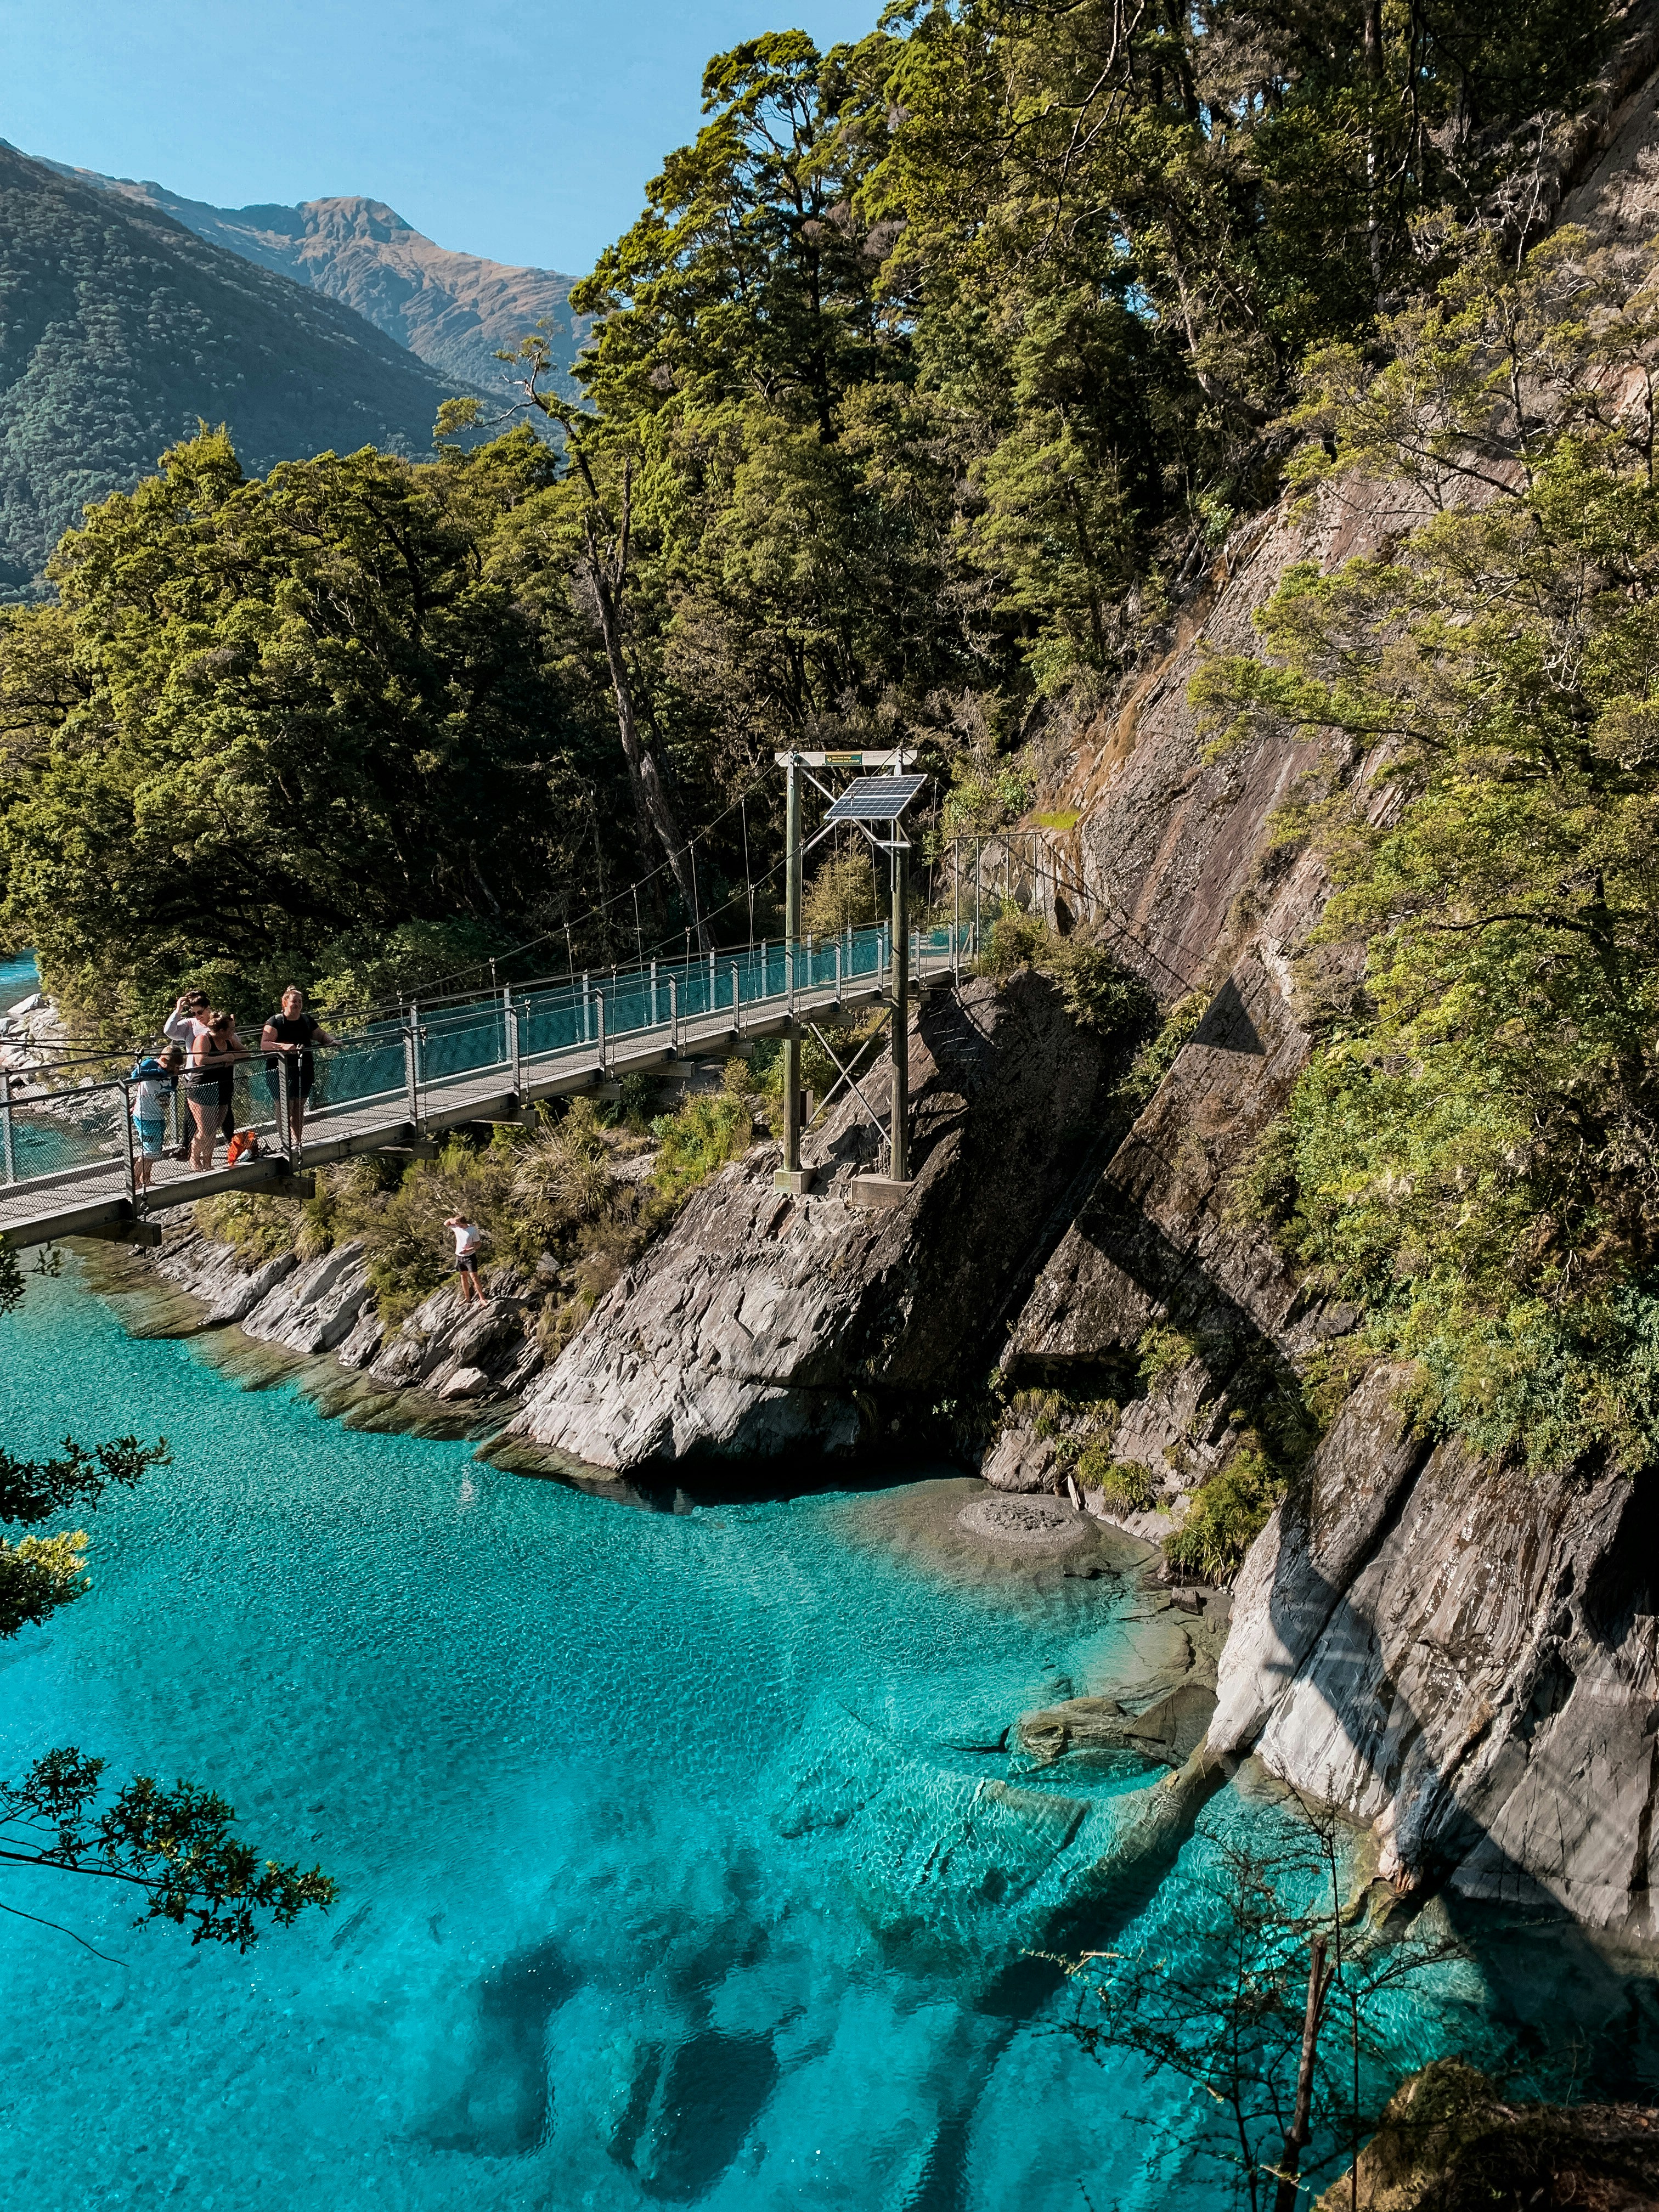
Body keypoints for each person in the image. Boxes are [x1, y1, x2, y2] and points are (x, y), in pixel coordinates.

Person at [260, 986, 338, 1150]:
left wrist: (332, 1040)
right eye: (294, 1001)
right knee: (285, 1106)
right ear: (285, 1003)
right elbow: (265, 1045)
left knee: (299, 1105)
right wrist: (284, 1047)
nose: (297, 1004)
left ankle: (298, 1141)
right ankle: (286, 1143)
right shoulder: (275, 1022)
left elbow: (321, 1035)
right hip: (280, 1071)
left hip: (304, 1068)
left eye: (300, 1002)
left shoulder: (306, 1020)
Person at [185, 1011, 245, 1171]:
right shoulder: (204, 1039)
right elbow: (201, 1060)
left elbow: (246, 1052)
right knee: (206, 1130)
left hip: (224, 1087)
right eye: (231, 1029)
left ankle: (208, 1163)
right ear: (221, 1031)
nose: (233, 1032)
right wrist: (224, 1058)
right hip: (203, 1089)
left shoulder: (230, 1040)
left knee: (215, 1127)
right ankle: (195, 1159)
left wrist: (232, 1055)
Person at [127, 1046, 183, 1197]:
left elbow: (172, 1087)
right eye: (170, 1066)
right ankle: (134, 1181)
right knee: (149, 1151)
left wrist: (175, 1075)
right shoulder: (149, 1064)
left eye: (175, 1068)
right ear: (163, 1059)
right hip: (145, 1115)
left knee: (154, 1150)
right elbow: (135, 1075)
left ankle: (146, 1178)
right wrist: (160, 1072)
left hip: (158, 1115)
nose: (171, 1070)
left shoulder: (171, 1072)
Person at [163, 991, 211, 1158]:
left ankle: (229, 1143)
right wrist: (178, 1010)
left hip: (215, 1074)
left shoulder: (217, 1023)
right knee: (190, 1114)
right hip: (194, 1076)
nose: (197, 1016)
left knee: (221, 1114)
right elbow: (170, 1031)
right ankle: (186, 1147)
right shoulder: (190, 1024)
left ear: (208, 1008)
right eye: (193, 1013)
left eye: (200, 1012)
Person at [444, 1214, 489, 1305]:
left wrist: (470, 1249)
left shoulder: (472, 1230)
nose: (456, 1225)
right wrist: (454, 1220)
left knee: (474, 1278)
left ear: (463, 1222)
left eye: (458, 1223)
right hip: (460, 1257)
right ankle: (467, 1298)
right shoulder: (456, 1228)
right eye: (456, 1223)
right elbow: (446, 1223)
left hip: (470, 1257)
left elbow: (478, 1244)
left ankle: (482, 1299)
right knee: (463, 1277)